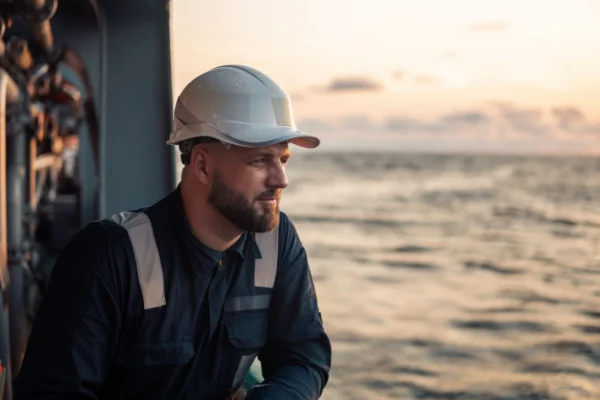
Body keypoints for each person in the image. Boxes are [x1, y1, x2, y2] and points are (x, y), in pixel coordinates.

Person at [13, 65, 332, 399]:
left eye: (283, 160)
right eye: (260, 161)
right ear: (203, 165)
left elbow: (303, 357)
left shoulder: (278, 243)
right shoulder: (107, 256)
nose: (281, 179)